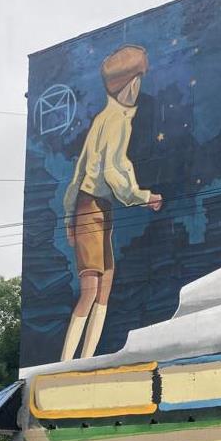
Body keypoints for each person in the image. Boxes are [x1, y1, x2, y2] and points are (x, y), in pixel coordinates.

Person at [60, 45, 163, 361]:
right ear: (131, 84)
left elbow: (79, 171)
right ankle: (67, 362)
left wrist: (68, 215)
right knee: (92, 288)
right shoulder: (116, 120)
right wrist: (142, 196)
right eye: (139, 80)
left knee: (104, 285)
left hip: (95, 207)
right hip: (92, 207)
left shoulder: (106, 118)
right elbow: (113, 171)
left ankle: (86, 360)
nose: (140, 87)